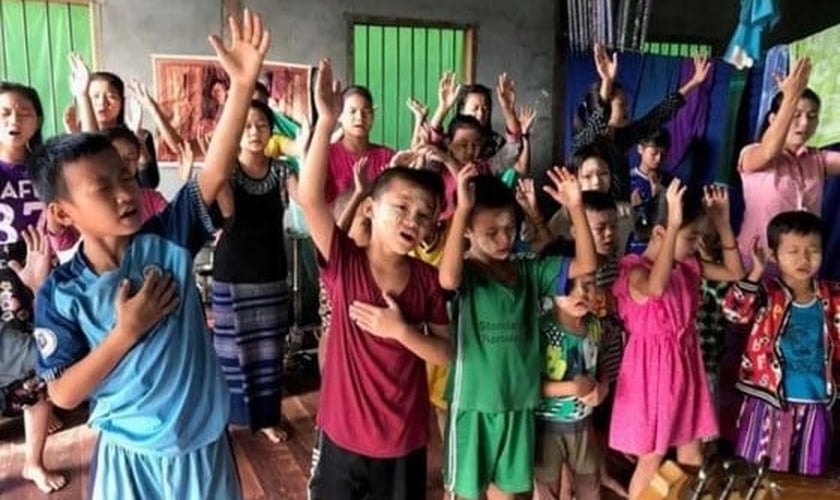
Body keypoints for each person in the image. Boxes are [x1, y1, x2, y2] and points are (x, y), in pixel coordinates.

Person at [28, 10, 270, 498]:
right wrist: (126, 333)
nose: (125, 193)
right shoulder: (63, 291)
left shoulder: (168, 237)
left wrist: (242, 87)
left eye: (124, 176)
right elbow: (63, 393)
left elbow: (214, 175)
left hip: (201, 446)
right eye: (103, 187)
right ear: (63, 212)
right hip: (126, 456)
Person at [299, 58, 450, 500]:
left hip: (402, 437)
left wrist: (400, 330)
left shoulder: (426, 279)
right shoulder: (346, 260)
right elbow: (310, 199)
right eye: (401, 208)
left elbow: (445, 352)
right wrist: (326, 120)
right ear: (371, 209)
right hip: (342, 435)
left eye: (424, 215)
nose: (412, 220)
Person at [439, 166, 597, 500]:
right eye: (490, 232)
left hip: (519, 403)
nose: (503, 239)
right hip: (473, 404)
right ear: (467, 230)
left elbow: (586, 265)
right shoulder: (467, 273)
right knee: (465, 493)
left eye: (510, 228)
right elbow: (448, 279)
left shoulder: (529, 271)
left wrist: (576, 208)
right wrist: (462, 210)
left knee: (507, 493)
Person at [610, 181, 744, 499]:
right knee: (652, 457)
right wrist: (673, 226)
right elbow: (656, 289)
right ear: (660, 234)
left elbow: (735, 272)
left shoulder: (687, 268)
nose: (696, 245)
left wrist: (723, 225)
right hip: (652, 372)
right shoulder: (633, 271)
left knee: (692, 452)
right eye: (691, 237)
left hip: (686, 364)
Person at [723, 211, 840, 476]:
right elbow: (734, 311)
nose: (804, 259)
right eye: (793, 251)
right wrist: (755, 272)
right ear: (774, 255)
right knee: (757, 474)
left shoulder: (833, 296)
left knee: (807, 478)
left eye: (813, 251)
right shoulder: (766, 292)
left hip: (816, 402)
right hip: (768, 401)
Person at [211, 99, 292, 443]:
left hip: (271, 273)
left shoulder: (284, 171)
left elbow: (308, 201)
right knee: (229, 355)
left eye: (261, 125)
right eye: (246, 126)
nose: (254, 132)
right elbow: (226, 217)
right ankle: (225, 419)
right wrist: (218, 173)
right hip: (232, 275)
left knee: (270, 354)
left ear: (271, 130)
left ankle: (267, 419)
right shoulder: (225, 170)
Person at [0, 80, 66, 493]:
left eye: (23, 112)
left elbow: (61, 219)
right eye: (5, 112)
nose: (14, 120)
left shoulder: (46, 170)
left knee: (37, 368)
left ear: (37, 120)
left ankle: (33, 462)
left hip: (41, 272)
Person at [574, 44, 710, 200]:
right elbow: (598, 119)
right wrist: (606, 82)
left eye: (627, 104)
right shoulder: (586, 141)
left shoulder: (623, 136)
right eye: (621, 105)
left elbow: (659, 114)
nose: (627, 109)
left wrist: (694, 82)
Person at [737, 58, 840, 262]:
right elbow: (769, 151)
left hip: (801, 266)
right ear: (773, 119)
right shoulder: (751, 154)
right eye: (796, 115)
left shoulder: (817, 159)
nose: (804, 123)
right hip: (756, 263)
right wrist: (791, 96)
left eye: (812, 116)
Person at [534, 272, 604, 500]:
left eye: (588, 284)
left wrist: (603, 387)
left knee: (590, 484)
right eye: (568, 286)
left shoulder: (594, 325)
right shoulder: (542, 331)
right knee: (547, 488)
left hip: (584, 424)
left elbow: (600, 363)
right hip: (547, 427)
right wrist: (572, 388)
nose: (581, 293)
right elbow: (529, 385)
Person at [427, 73, 523, 174]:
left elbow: (513, 149)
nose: (470, 151)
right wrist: (443, 108)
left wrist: (508, 110)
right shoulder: (441, 160)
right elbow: (431, 142)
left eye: (476, 144)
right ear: (448, 143)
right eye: (463, 144)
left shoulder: (485, 164)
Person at [324, 85, 394, 204]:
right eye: (352, 111)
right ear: (339, 115)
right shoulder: (327, 156)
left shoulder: (387, 157)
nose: (360, 117)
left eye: (366, 111)